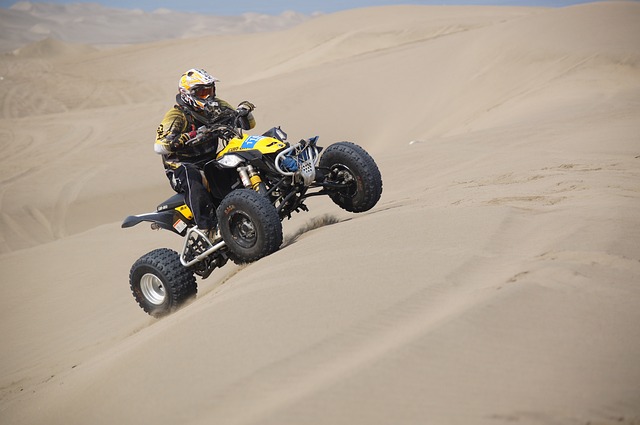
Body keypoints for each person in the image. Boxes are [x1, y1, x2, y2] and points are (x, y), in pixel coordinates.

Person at [154, 68, 256, 237]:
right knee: (191, 174)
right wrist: (191, 135)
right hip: (181, 167)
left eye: (210, 90)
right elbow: (159, 146)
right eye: (202, 92)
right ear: (186, 93)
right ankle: (206, 228)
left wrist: (244, 112)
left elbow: (247, 125)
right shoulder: (176, 115)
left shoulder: (217, 106)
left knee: (237, 158)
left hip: (210, 160)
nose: (208, 96)